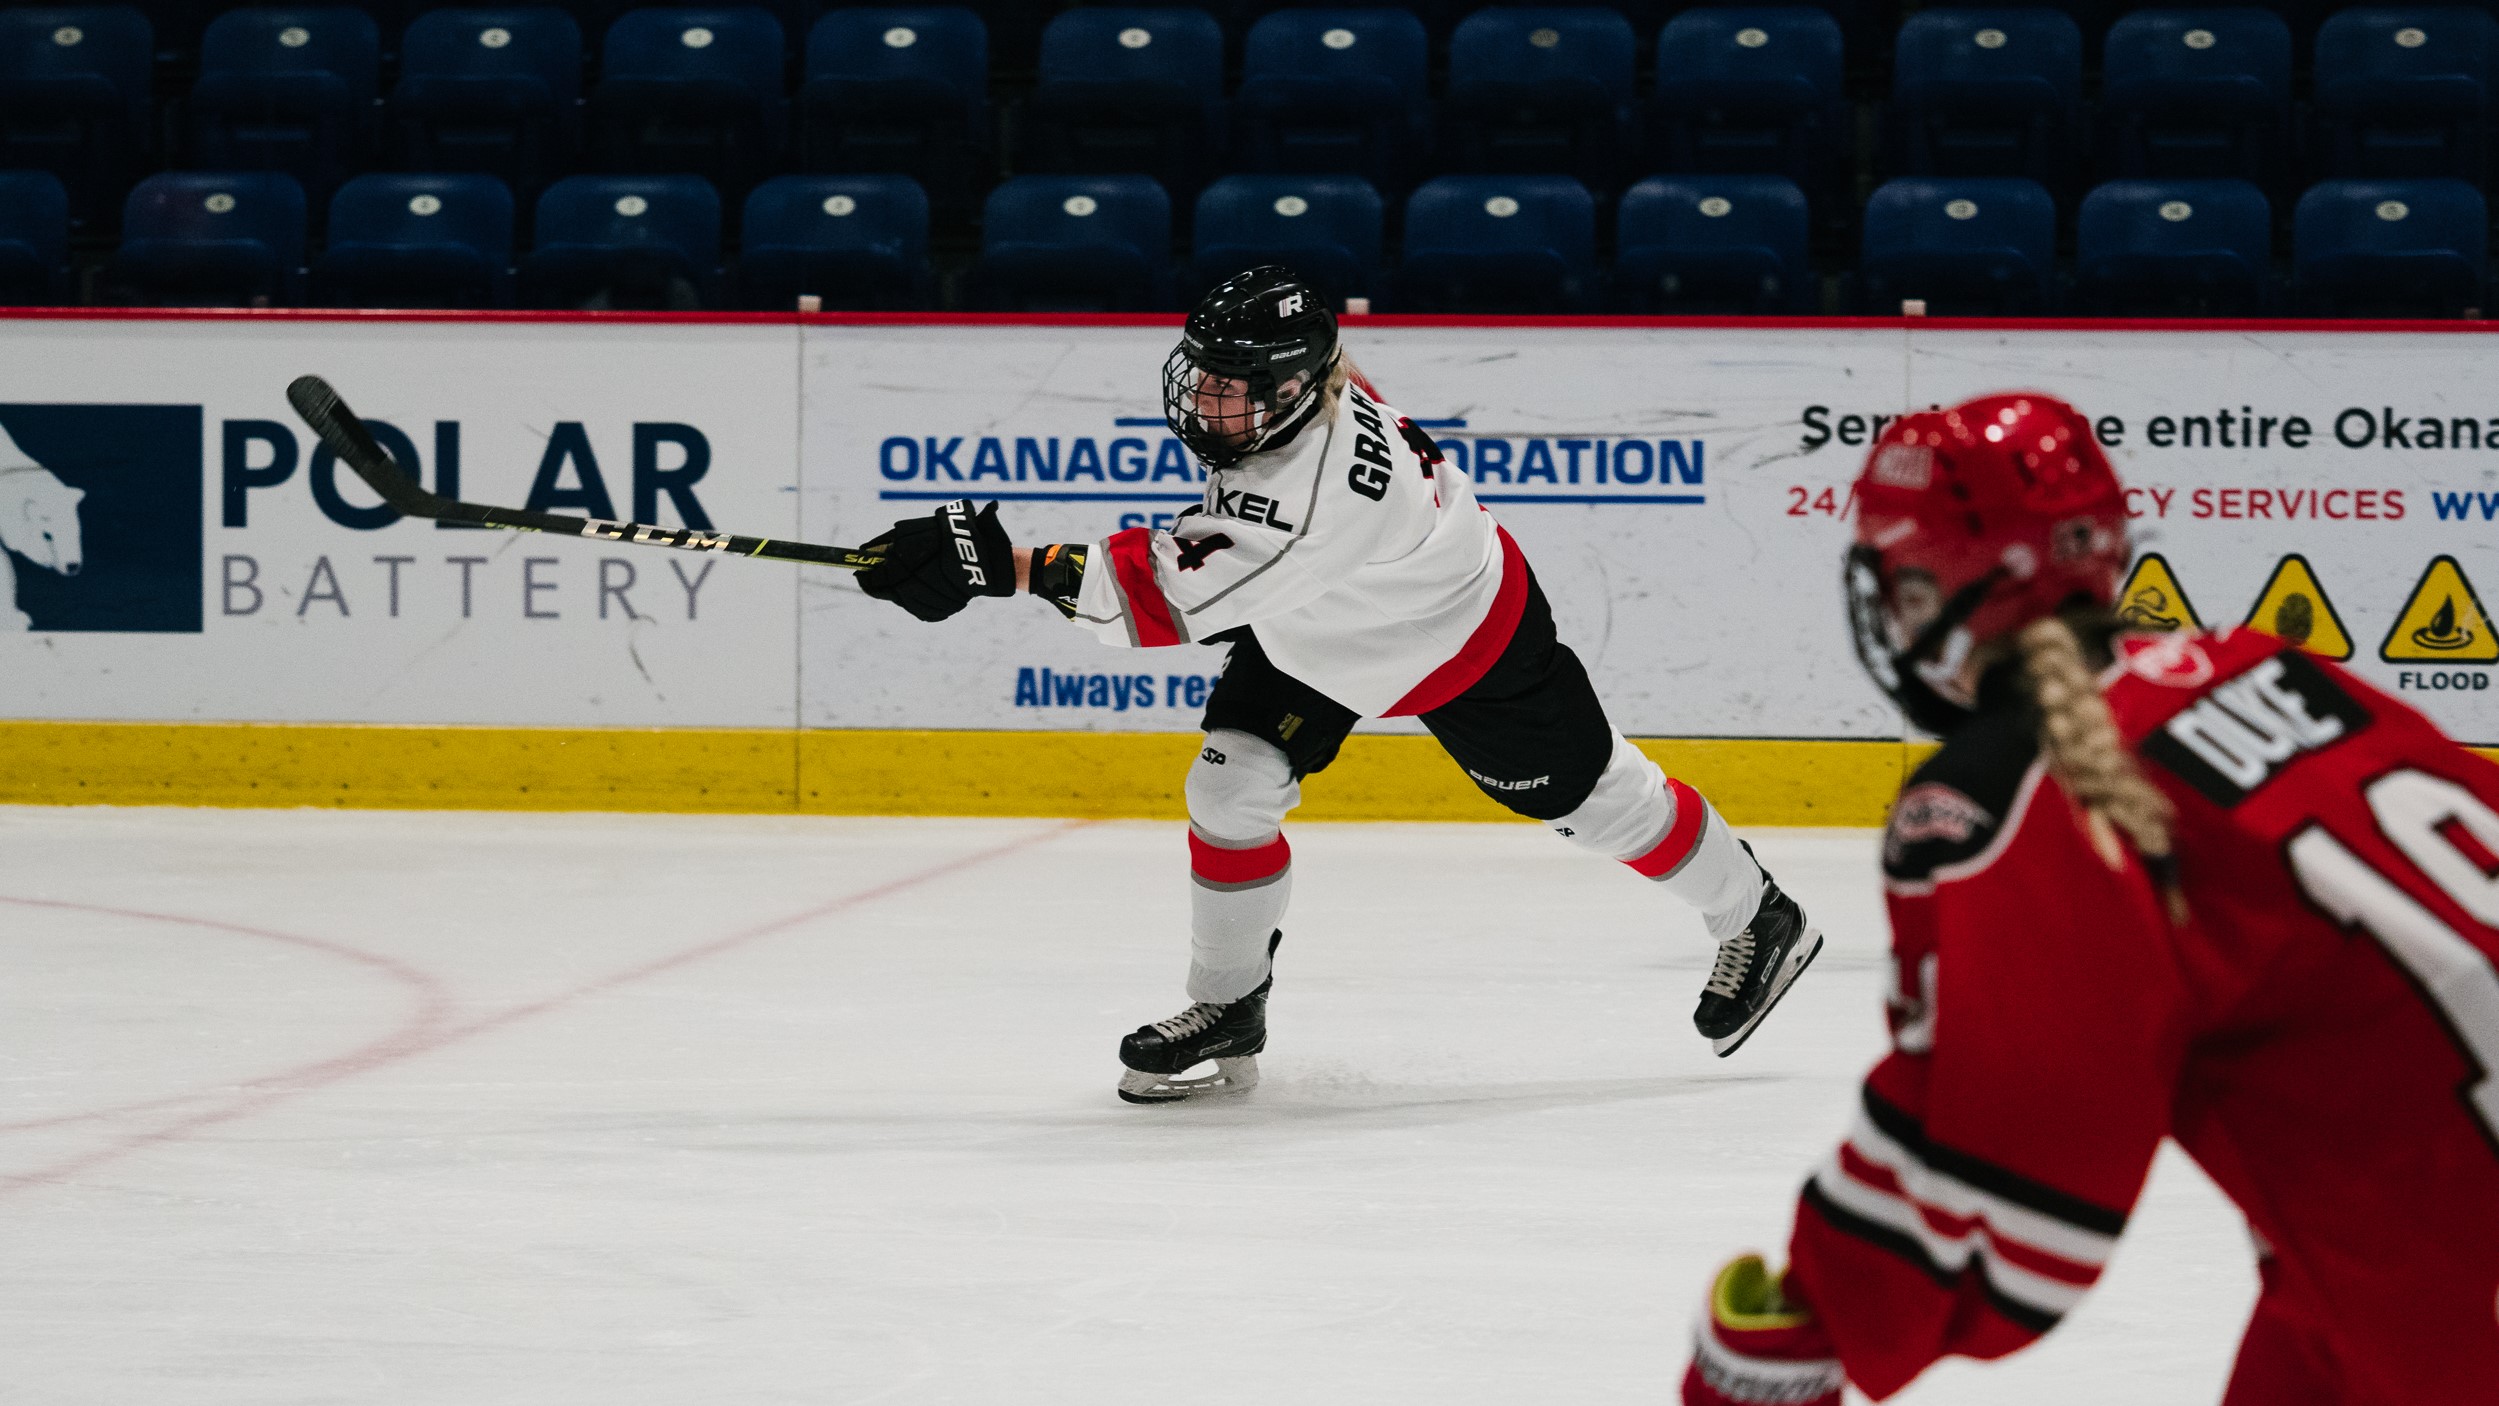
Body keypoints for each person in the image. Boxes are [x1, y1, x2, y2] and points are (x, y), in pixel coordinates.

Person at [1682, 392, 2499, 1405]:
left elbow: (2006, 1191)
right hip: (2417, 1263)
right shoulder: (2276, 667)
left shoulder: (2012, 798)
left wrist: (1799, 1319)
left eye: (1900, 577)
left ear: (1943, 582)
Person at [853, 266, 1823, 1102]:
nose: (1206, 405)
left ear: (1289, 389)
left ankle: (1757, 913)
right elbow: (1216, 562)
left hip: (1458, 637)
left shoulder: (1313, 495)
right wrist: (989, 559)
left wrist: (995, 565)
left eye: (1234, 389)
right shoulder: (1309, 395)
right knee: (1229, 787)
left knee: (1597, 802)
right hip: (1319, 623)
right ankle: (1230, 1002)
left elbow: (1148, 600)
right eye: (1205, 378)